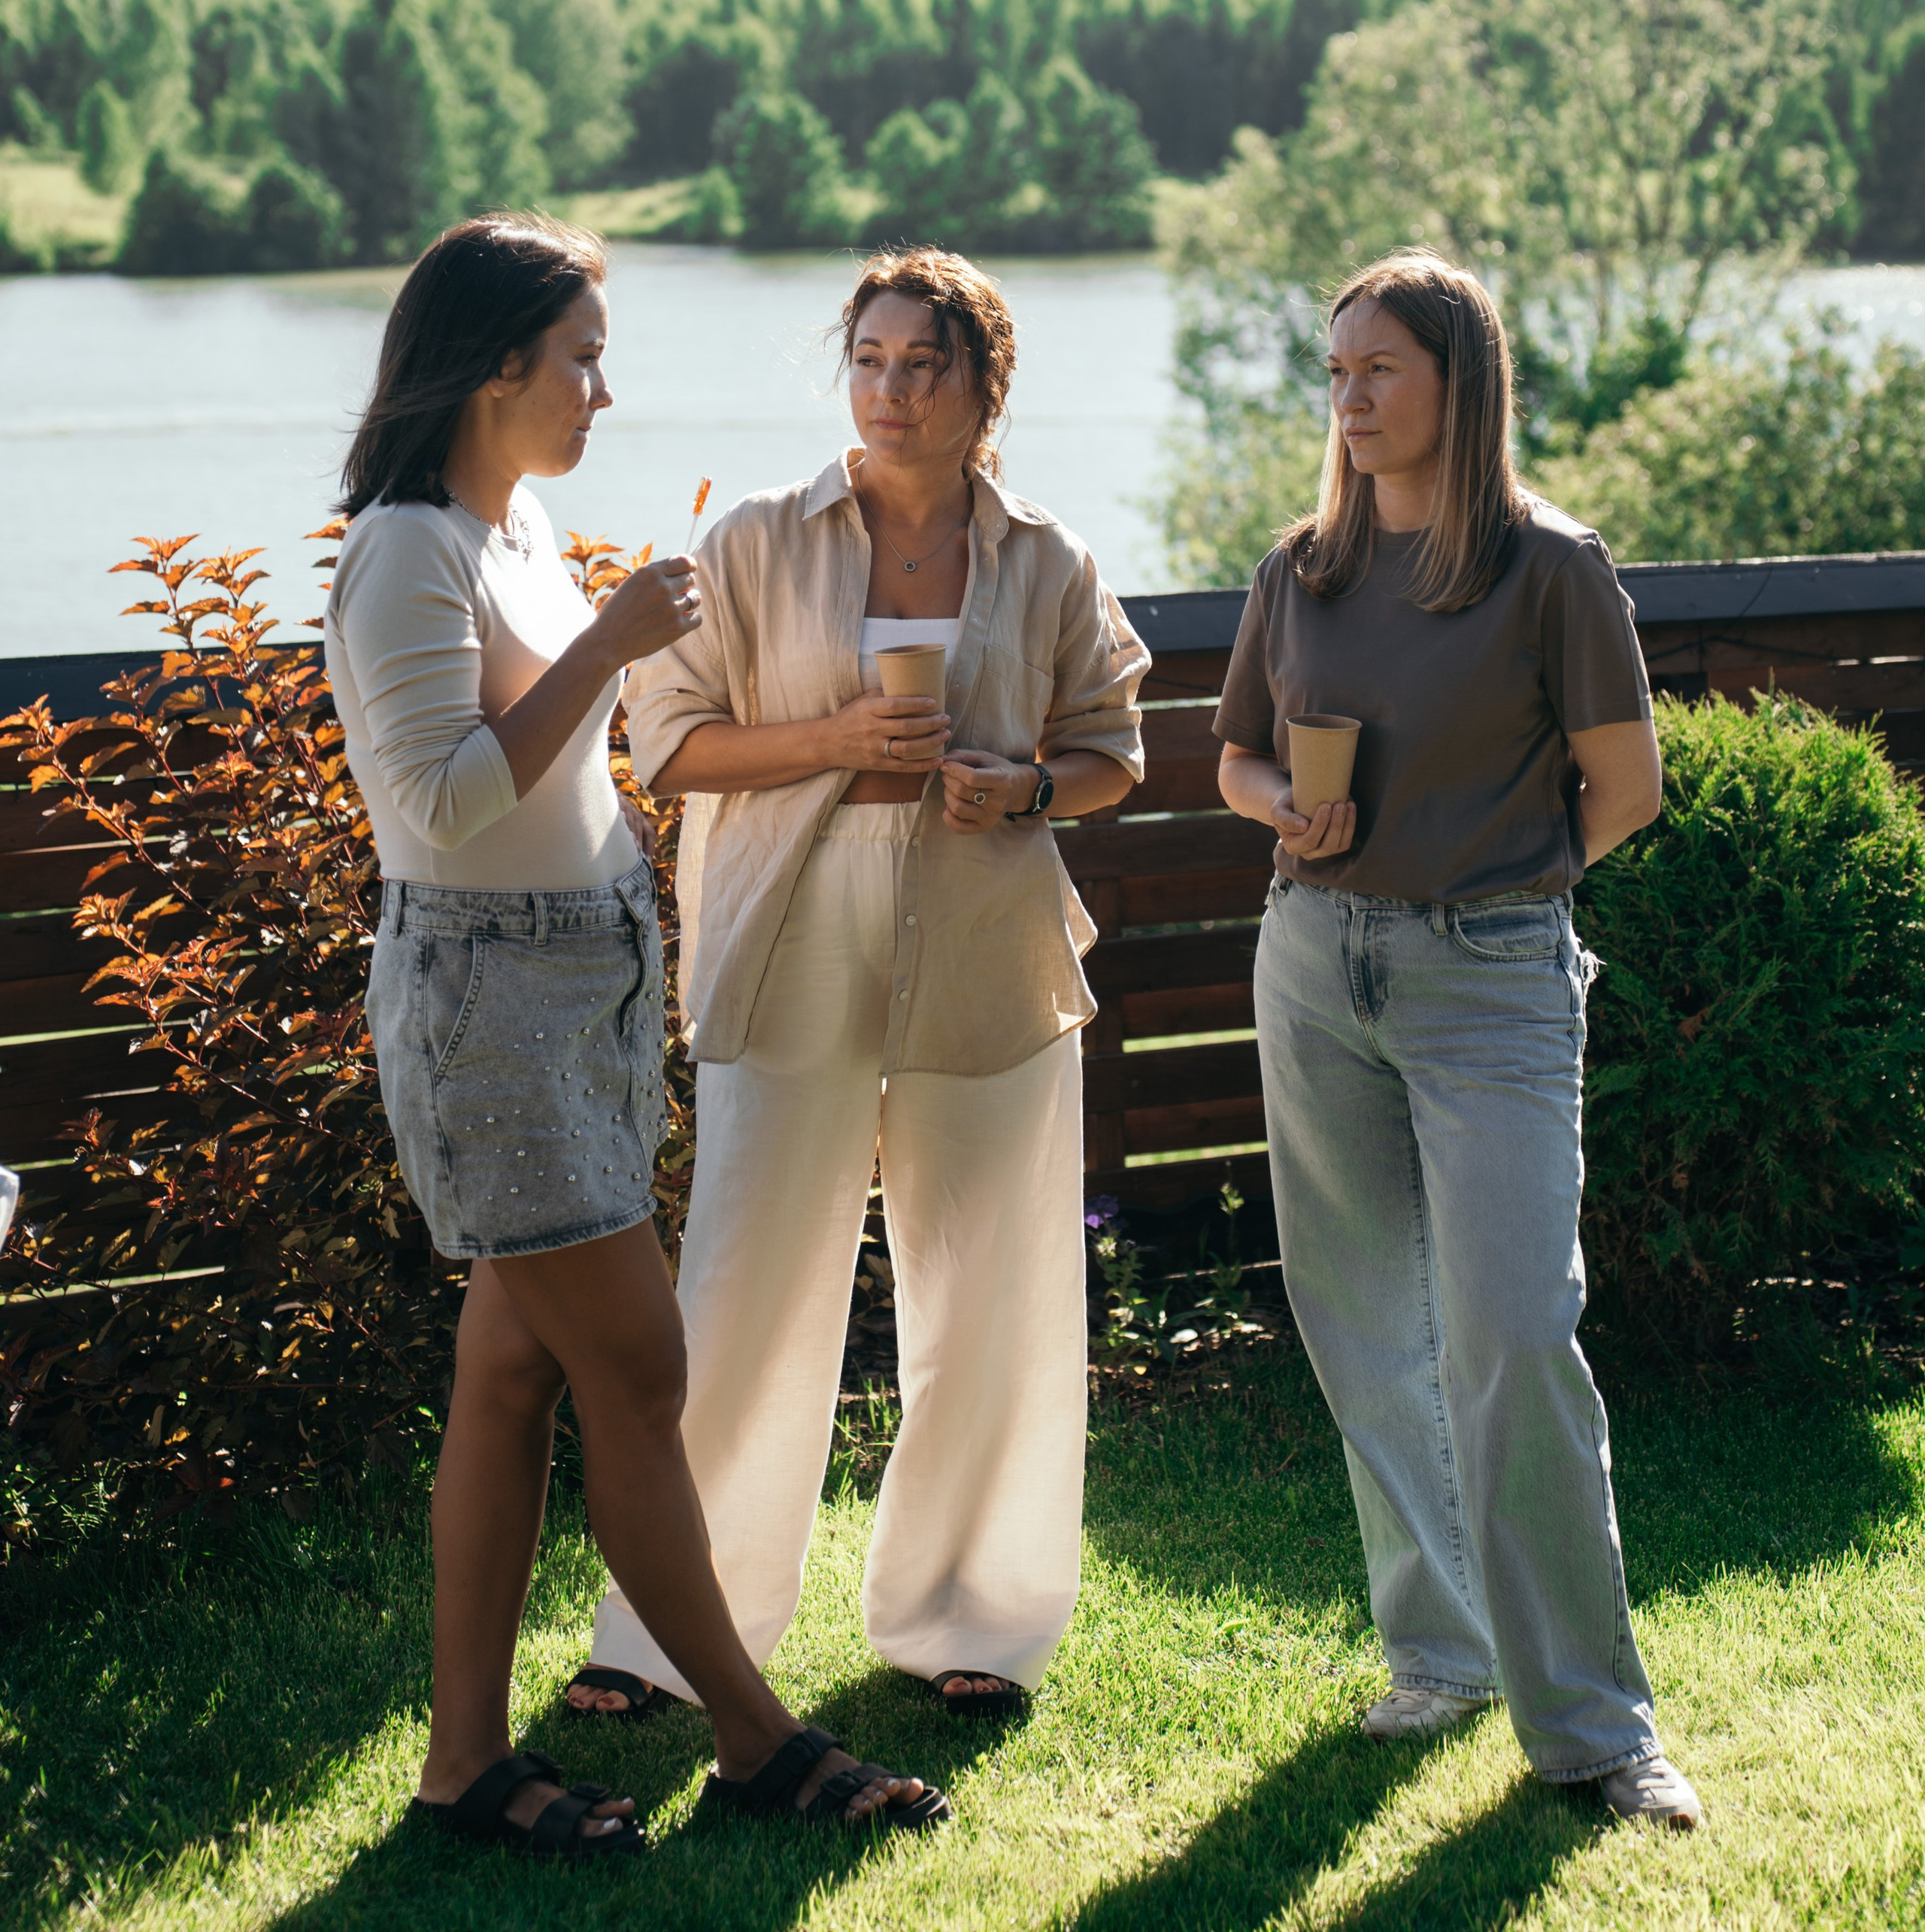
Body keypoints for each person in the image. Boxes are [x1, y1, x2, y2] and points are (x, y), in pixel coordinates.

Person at [326, 211, 946, 1862]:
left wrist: (596, 633)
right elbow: (445, 809)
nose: (604, 388)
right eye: (582, 356)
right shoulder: (407, 549)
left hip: (574, 983)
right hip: (490, 1003)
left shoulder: (515, 527)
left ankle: (464, 1767)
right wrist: (609, 643)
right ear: (492, 366)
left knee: (513, 1371)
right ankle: (755, 1736)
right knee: (639, 1364)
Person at [572, 245, 1148, 1728]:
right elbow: (671, 746)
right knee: (746, 1297)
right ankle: (662, 1638)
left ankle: (972, 1615)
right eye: (871, 358)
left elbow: (1111, 753)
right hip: (787, 948)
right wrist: (836, 740)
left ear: (982, 388)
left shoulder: (1047, 559)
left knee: (994, 1297)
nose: (890, 389)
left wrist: (1022, 787)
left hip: (989, 955)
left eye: (923, 364)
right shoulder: (759, 540)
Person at [1214, 250, 1702, 1831]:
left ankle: (1594, 1729)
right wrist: (1287, 808)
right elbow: (1231, 759)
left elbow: (1618, 790)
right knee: (1361, 1321)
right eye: (1333, 372)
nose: (1346, 401)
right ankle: (1440, 1652)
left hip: (1489, 975)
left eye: (1377, 372)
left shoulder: (1548, 570)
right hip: (1310, 958)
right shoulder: (1300, 567)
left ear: (1457, 383)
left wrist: (1490, 889)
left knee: (1509, 1330)